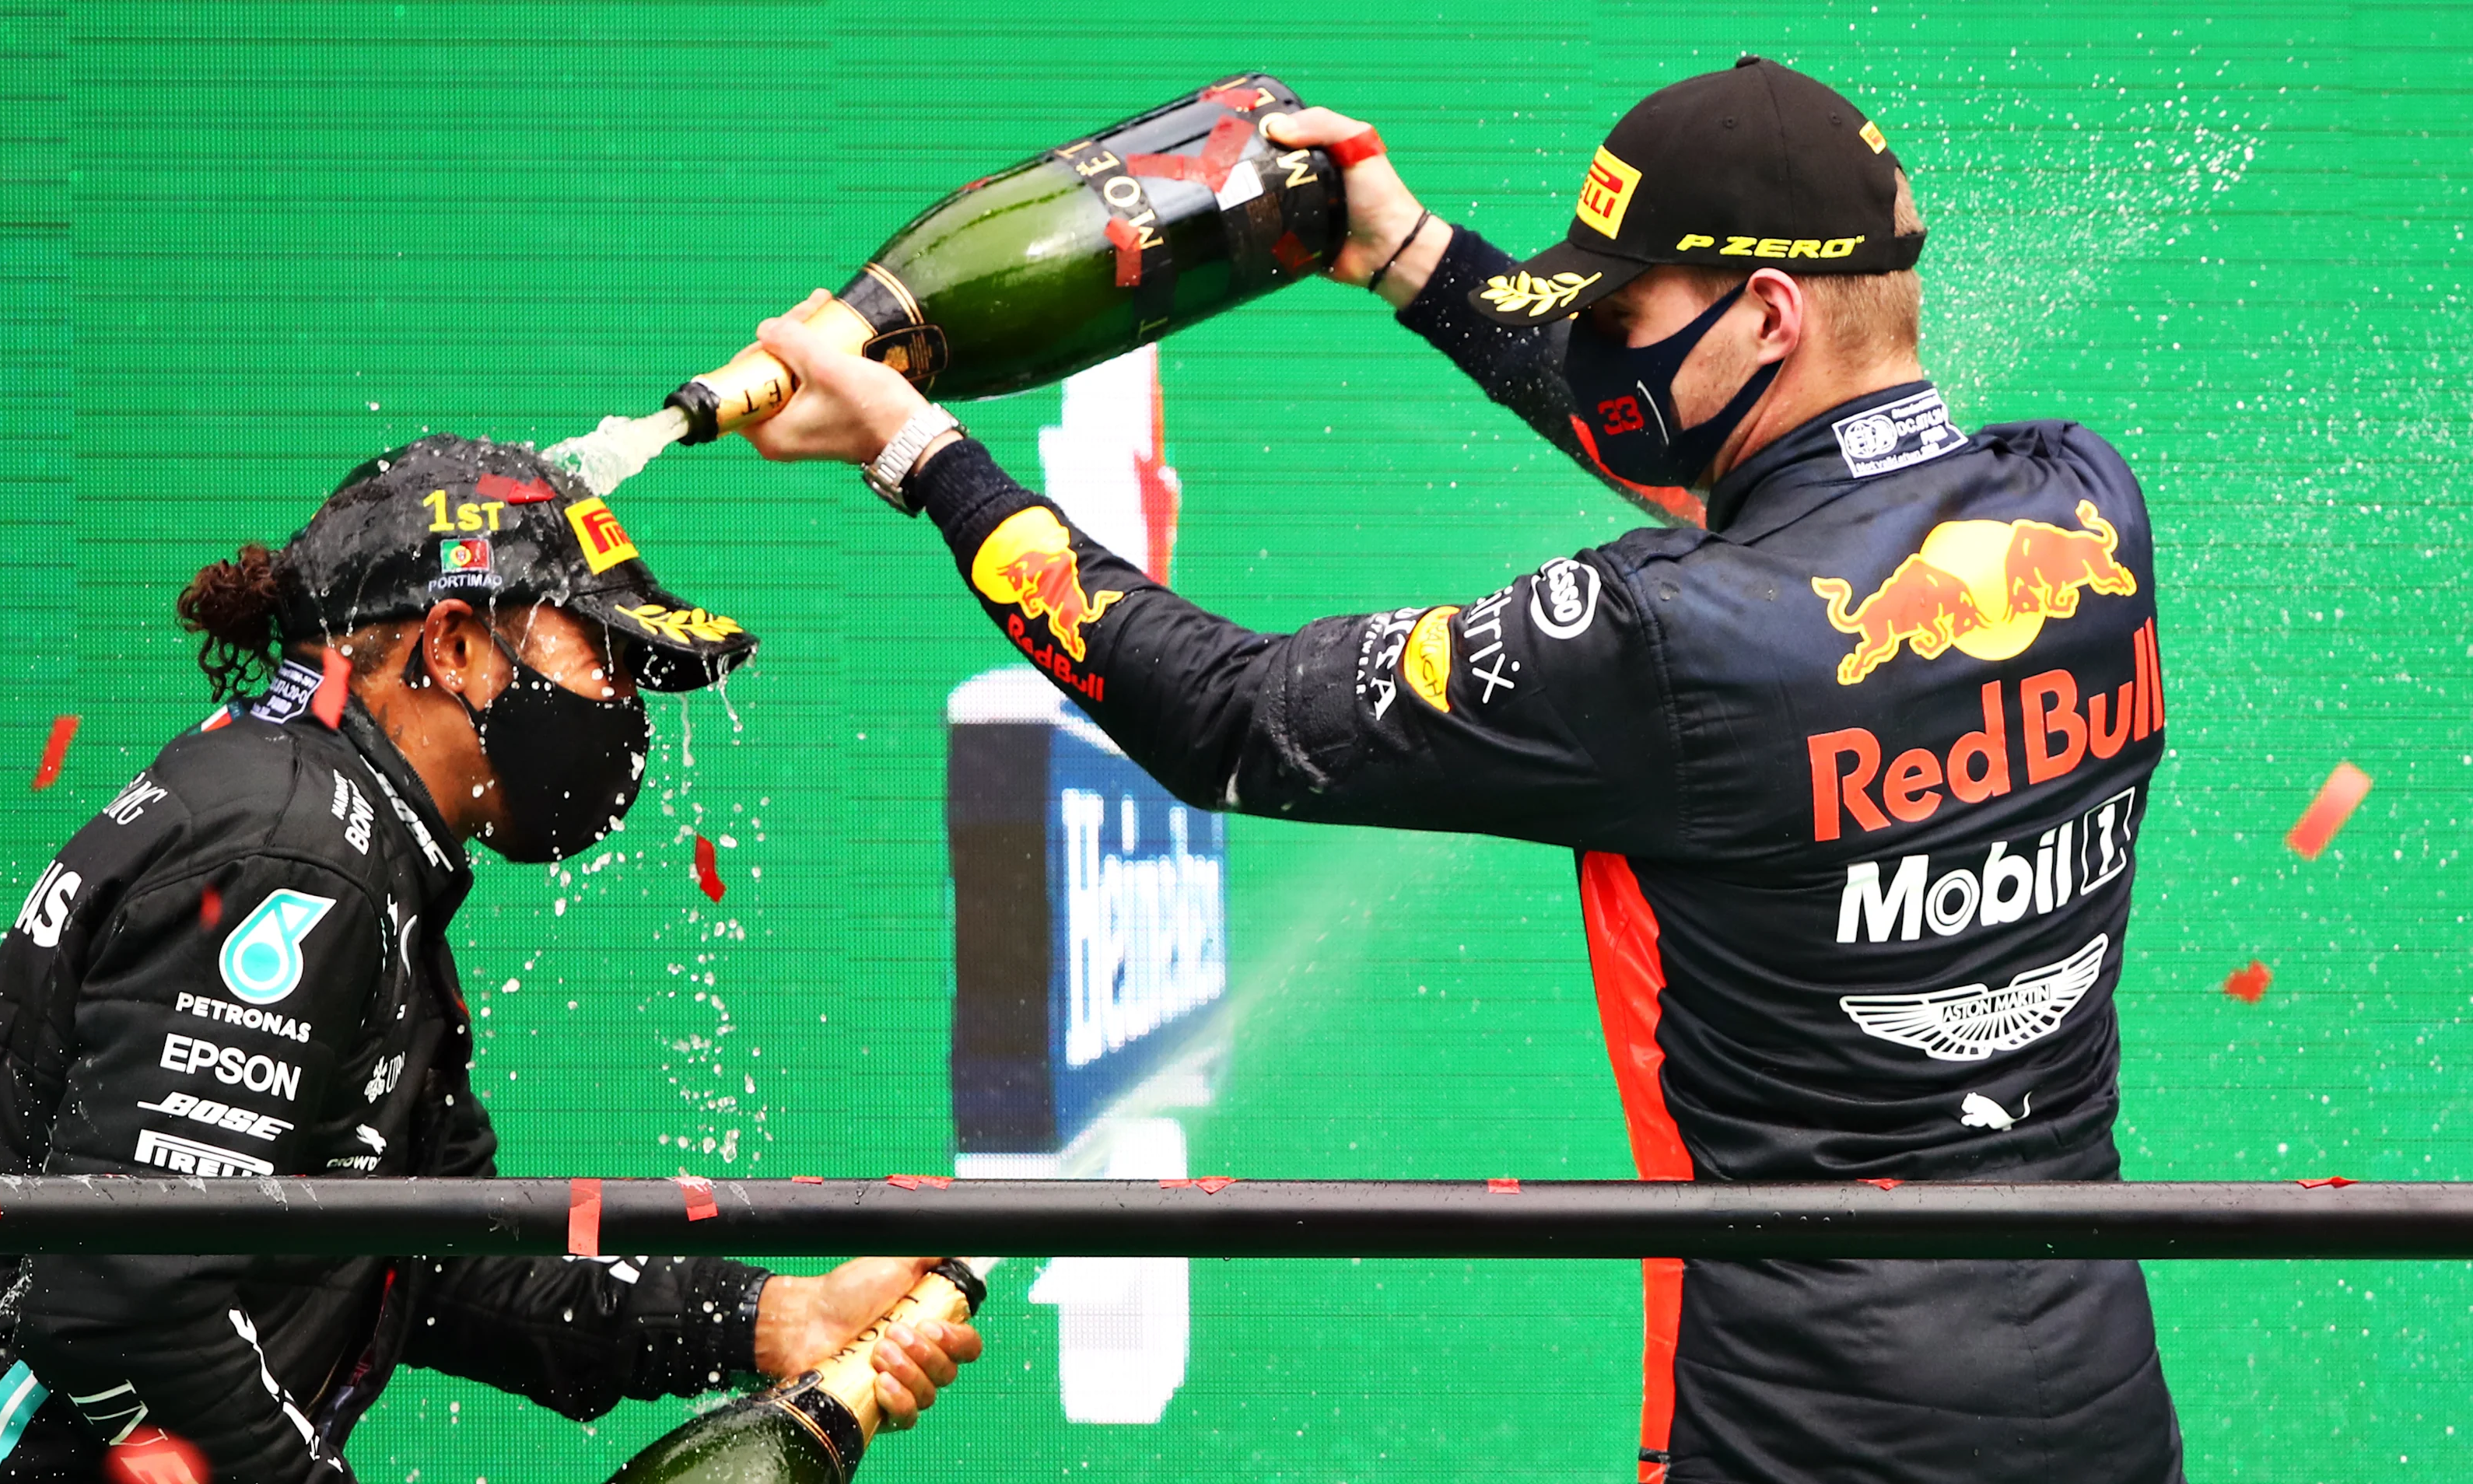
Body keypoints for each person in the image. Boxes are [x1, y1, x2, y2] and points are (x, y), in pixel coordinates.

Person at [740, 55, 2181, 1484]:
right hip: (2104, 1408)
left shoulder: (1667, 640)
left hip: (1799, 1435)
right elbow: (1779, 491)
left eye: (1628, 313)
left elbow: (1232, 718)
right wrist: (1401, 253)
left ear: (1768, 313)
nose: (1605, 348)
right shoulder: (2087, 511)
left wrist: (920, 451)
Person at [0, 436, 980, 1483]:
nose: (622, 702)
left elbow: (440, 1254)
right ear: (456, 643)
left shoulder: (338, 833)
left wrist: (772, 1320)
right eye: (600, 653)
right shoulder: (298, 851)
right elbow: (124, 1290)